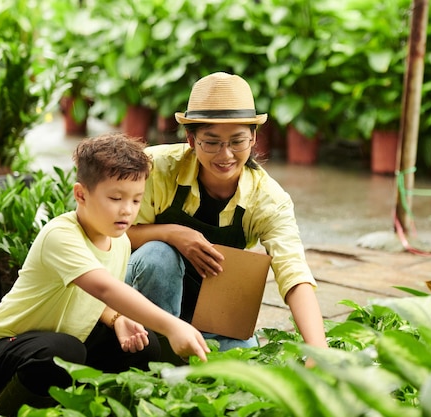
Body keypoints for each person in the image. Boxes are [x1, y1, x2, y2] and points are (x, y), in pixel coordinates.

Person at [0, 133, 209, 417]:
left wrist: (117, 319)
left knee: (144, 346)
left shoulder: (119, 241)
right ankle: (3, 412)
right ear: (81, 194)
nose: (127, 210)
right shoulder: (61, 235)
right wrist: (174, 326)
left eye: (136, 200)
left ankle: (93, 408)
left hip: (63, 341)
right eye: (116, 198)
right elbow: (105, 288)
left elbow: (95, 298)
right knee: (65, 352)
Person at [125, 72, 328, 352]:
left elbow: (293, 272)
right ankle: (155, 351)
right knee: (158, 254)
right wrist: (171, 234)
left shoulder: (268, 198)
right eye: (211, 142)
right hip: (142, 302)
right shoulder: (154, 168)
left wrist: (318, 349)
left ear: (254, 138)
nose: (226, 155)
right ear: (191, 139)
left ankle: (190, 351)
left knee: (244, 358)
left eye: (237, 141)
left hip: (213, 313)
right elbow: (112, 235)